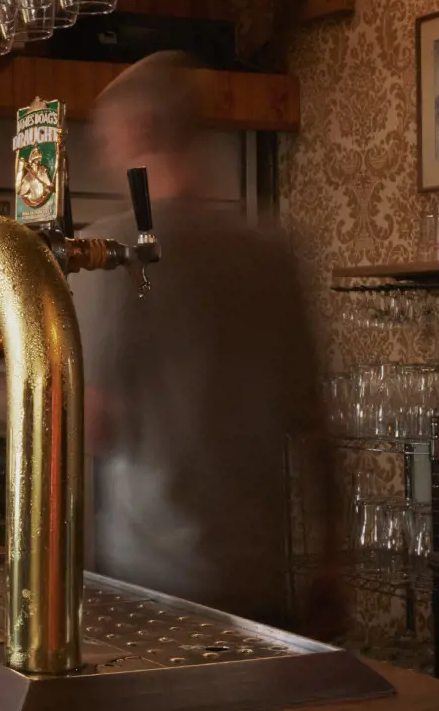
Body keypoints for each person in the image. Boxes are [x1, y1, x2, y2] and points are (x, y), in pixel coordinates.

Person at [72, 52, 341, 635]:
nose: (102, 154)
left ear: (139, 131)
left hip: (152, 585)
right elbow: (316, 430)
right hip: (257, 585)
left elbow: (95, 426)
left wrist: (17, 395)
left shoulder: (113, 251)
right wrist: (331, 561)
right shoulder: (268, 253)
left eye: (105, 138)